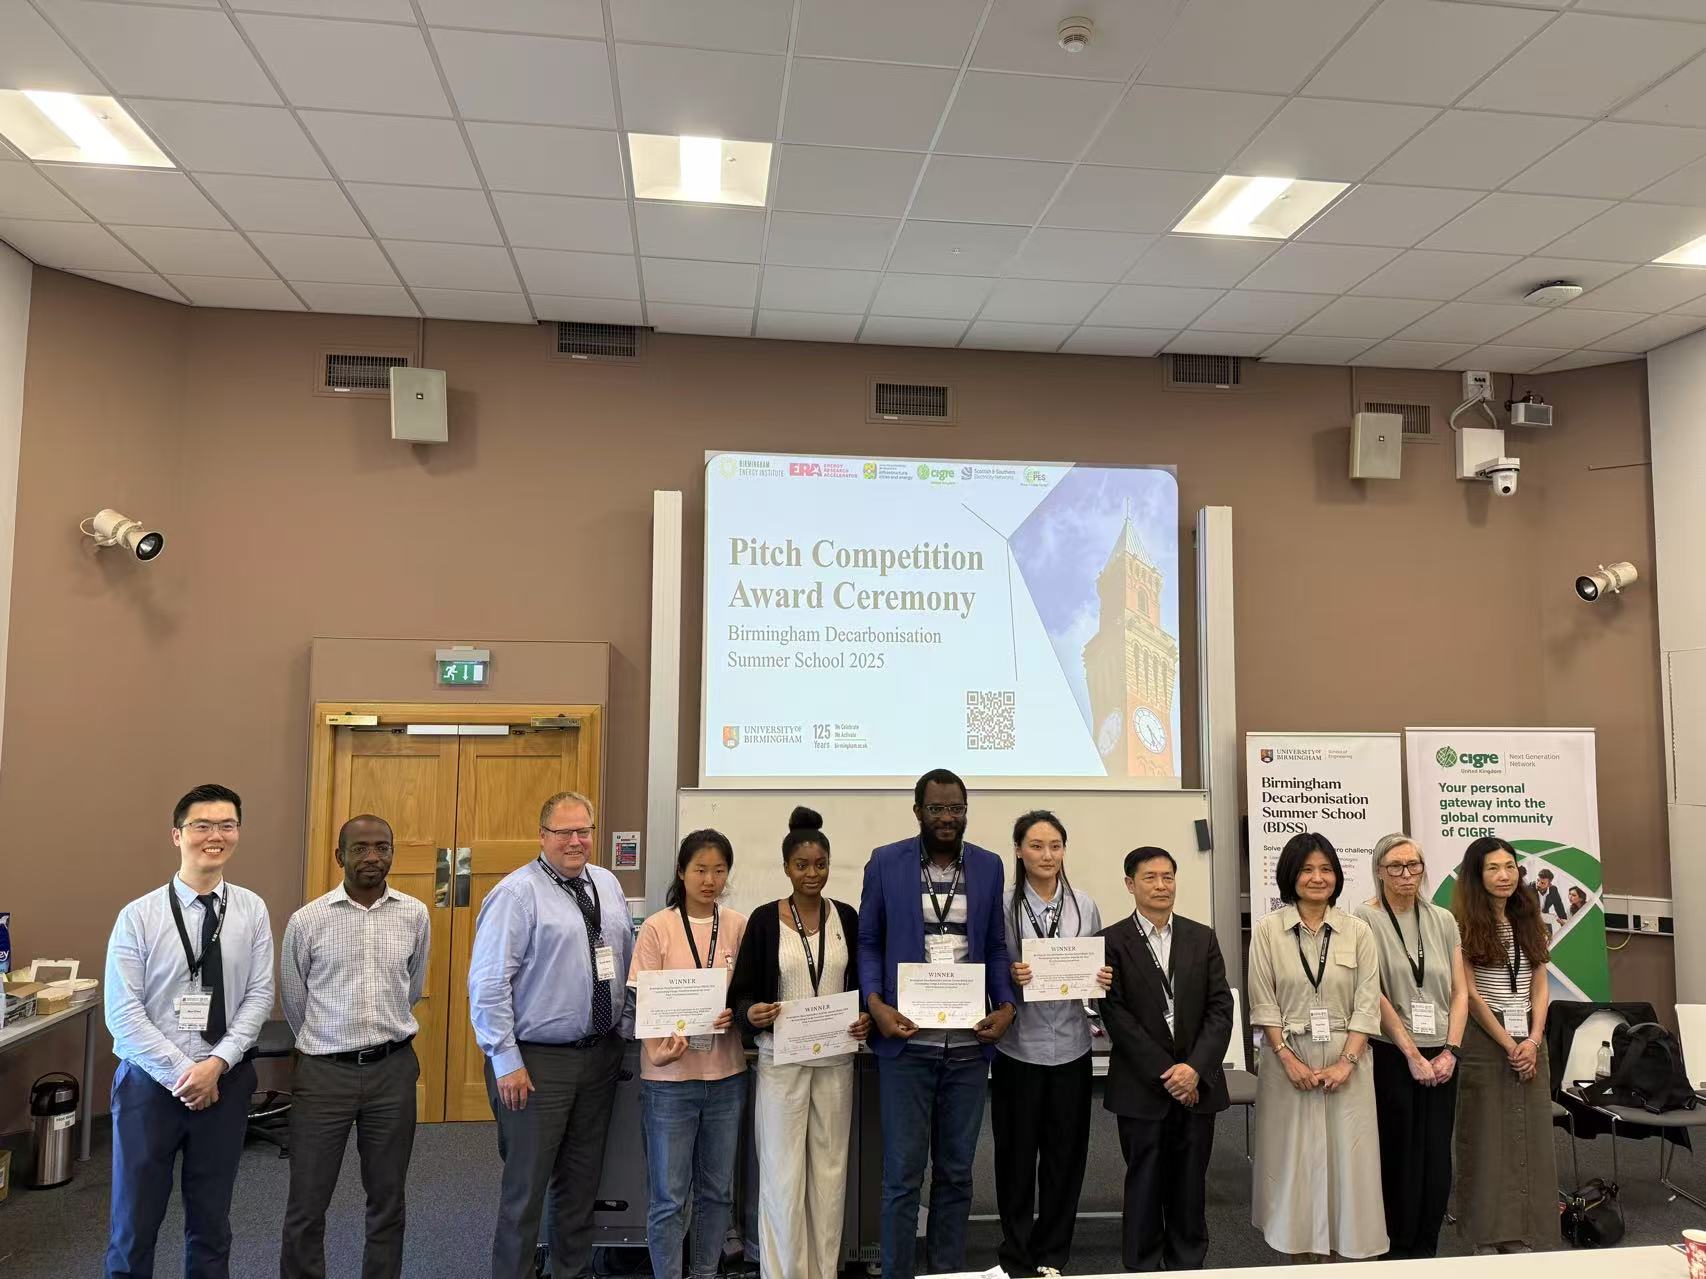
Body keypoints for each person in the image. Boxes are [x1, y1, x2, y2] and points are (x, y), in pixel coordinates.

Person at [103, 783, 275, 1279]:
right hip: (150, 1085)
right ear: (177, 835)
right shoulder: (138, 917)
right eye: (202, 825)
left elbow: (260, 995)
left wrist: (216, 1065)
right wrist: (186, 1073)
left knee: (212, 1224)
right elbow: (123, 1014)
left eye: (227, 825)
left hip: (225, 1084)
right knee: (134, 1225)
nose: (215, 836)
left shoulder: (252, 910)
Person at [858, 768, 1016, 1279]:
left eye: (956, 808)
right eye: (937, 808)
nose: (947, 818)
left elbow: (995, 946)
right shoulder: (886, 862)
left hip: (968, 1048)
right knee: (902, 1177)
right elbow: (869, 942)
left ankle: (948, 1272)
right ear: (918, 811)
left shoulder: (989, 866)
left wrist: (1007, 1005)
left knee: (956, 1173)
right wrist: (875, 1005)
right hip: (907, 1046)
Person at [468, 790, 633, 1279]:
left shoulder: (606, 883)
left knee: (580, 1187)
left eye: (584, 830)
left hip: (599, 1056)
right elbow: (488, 984)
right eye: (564, 832)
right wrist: (506, 1061)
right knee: (526, 1191)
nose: (576, 840)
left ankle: (571, 1272)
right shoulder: (516, 894)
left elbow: (623, 960)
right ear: (542, 836)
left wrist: (624, 1029)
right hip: (536, 1064)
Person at [278, 814, 430, 1279]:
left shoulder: (414, 914)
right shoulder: (308, 920)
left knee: (388, 1199)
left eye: (382, 847)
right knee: (307, 1203)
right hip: (324, 1074)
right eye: (360, 848)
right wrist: (330, 1044)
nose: (372, 857)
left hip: (392, 1071)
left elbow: (412, 987)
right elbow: (294, 1000)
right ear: (339, 855)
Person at [728, 807, 870, 1279]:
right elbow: (742, 993)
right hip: (781, 1060)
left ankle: (823, 1271)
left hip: (835, 1060)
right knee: (782, 1173)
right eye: (802, 865)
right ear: (786, 867)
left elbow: (859, 985)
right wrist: (751, 1013)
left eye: (821, 865)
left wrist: (865, 1018)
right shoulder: (764, 920)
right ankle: (783, 1272)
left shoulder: (846, 917)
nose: (813, 874)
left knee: (830, 1173)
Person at [1248, 831, 1387, 1261]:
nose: (1317, 877)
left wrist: (1347, 1062)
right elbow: (1263, 1002)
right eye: (1307, 869)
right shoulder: (1268, 931)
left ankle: (1342, 1256)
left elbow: (1368, 1003)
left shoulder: (1358, 931)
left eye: (1326, 869)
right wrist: (1286, 1059)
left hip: (1348, 1062)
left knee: (1349, 1162)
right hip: (1287, 1060)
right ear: (1291, 875)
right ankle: (1298, 1255)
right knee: (1292, 1163)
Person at [1101, 846, 1232, 1273]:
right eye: (1150, 877)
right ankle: (1141, 1266)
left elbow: (1220, 1008)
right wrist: (1168, 1073)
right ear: (1130, 884)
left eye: (1168, 877)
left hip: (1197, 1084)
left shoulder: (1201, 936)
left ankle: (1187, 1263)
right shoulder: (1110, 941)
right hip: (1142, 1087)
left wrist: (1193, 1069)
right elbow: (1115, 1015)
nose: (1161, 886)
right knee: (1144, 1182)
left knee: (1190, 1184)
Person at [992, 811, 1111, 1278]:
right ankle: (1017, 1253)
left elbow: (1094, 972)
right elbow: (989, 966)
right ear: (1019, 850)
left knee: (1066, 1158)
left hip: (1072, 1049)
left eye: (1055, 846)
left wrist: (1101, 979)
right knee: (1015, 1158)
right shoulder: (1002, 905)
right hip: (1019, 1049)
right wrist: (1010, 975)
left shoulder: (1085, 905)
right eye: (1037, 846)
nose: (1047, 855)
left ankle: (1053, 1253)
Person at [630, 829, 747, 1279]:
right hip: (669, 1082)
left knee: (717, 1193)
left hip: (726, 1076)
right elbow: (643, 1000)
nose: (710, 880)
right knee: (669, 1198)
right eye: (700, 870)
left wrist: (738, 1012)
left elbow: (749, 994)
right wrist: (656, 1053)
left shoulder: (738, 925)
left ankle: (703, 1273)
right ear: (681, 872)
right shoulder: (658, 927)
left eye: (719, 871)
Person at [1352, 833, 1469, 1260]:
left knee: (1437, 1157)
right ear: (1379, 872)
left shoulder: (1443, 919)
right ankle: (1393, 1251)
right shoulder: (1364, 918)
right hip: (1392, 1052)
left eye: (1414, 865)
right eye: (1396, 867)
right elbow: (1373, 992)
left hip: (1443, 1053)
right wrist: (1412, 1054)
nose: (1407, 874)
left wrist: (1451, 1051)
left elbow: (1460, 992)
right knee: (1398, 1152)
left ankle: (1426, 1249)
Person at [1451, 836, 1557, 1255]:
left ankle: (1522, 1231)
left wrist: (1533, 1039)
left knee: (1530, 1136)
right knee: (1485, 1137)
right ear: (1477, 875)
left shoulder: (1530, 918)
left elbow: (1540, 984)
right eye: (1493, 868)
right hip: (1485, 1038)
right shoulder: (1461, 924)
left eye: (1510, 866)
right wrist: (1508, 1043)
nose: (1504, 875)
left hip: (1529, 1037)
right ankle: (1485, 1234)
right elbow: (1470, 994)